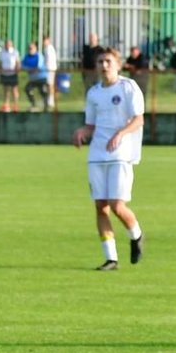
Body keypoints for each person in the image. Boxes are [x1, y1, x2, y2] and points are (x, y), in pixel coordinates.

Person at [71, 47, 145, 272]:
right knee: (100, 206)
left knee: (117, 205)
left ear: (118, 65)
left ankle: (136, 235)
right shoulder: (94, 93)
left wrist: (120, 134)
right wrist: (82, 131)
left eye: (108, 61)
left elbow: (138, 120)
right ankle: (111, 258)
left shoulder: (128, 87)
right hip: (97, 155)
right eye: (100, 62)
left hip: (121, 154)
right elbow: (91, 124)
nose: (104, 65)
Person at [0, 39, 21, 112]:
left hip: (12, 73)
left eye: (9, 44)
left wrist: (17, 69)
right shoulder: (2, 52)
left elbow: (17, 62)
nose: (8, 45)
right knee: (6, 90)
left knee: (14, 89)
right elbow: (0, 62)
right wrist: (0, 70)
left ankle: (15, 105)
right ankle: (6, 105)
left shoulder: (15, 52)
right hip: (4, 73)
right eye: (7, 44)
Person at [23, 42, 49, 110]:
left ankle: (46, 107)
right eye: (29, 48)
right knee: (27, 89)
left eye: (31, 48)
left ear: (35, 48)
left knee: (43, 91)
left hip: (41, 78)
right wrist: (29, 69)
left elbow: (39, 67)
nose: (30, 50)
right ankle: (33, 104)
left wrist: (30, 70)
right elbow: (23, 65)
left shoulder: (39, 56)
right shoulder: (26, 56)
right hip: (33, 79)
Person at [41, 36, 59, 110]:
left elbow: (49, 60)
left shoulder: (49, 49)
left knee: (50, 85)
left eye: (45, 41)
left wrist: (45, 67)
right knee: (48, 85)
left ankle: (51, 101)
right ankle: (48, 100)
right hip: (48, 69)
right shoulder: (47, 48)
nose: (44, 42)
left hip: (50, 69)